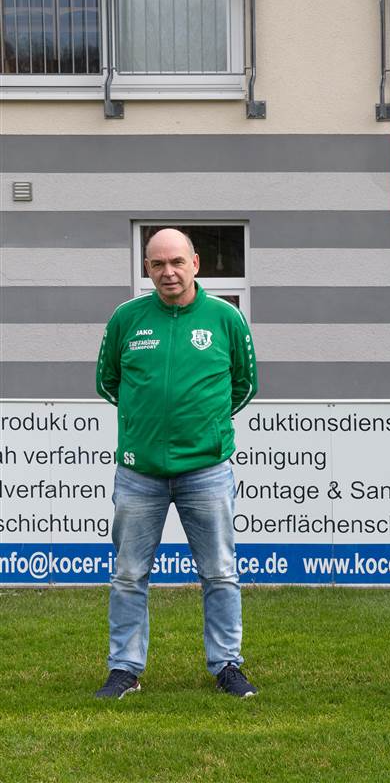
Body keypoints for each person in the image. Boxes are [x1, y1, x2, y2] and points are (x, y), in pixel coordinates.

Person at [94, 228, 259, 699]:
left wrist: (203, 429)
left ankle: (227, 665)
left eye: (176, 262)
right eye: (157, 264)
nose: (168, 272)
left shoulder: (226, 318)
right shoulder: (126, 319)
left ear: (196, 263)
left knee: (220, 573)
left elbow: (244, 386)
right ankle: (125, 669)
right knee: (128, 575)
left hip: (206, 471)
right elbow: (108, 381)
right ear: (147, 268)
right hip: (138, 472)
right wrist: (144, 427)